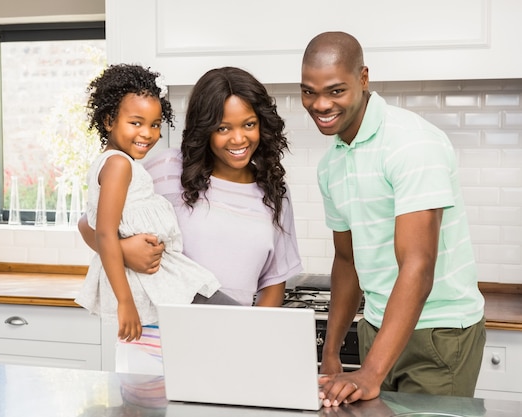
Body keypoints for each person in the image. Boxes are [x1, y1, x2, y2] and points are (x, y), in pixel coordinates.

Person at [300, 31, 486, 407]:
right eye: (309, 91)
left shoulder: (412, 143)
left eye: (336, 91)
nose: (320, 104)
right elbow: (348, 260)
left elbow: (418, 265)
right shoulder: (331, 164)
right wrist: (331, 351)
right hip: (377, 327)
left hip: (440, 333)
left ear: (363, 79)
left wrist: (371, 372)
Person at [78, 66, 302, 308]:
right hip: (160, 331)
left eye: (249, 124)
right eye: (223, 128)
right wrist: (124, 251)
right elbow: (88, 224)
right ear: (205, 128)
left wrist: (247, 338)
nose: (238, 139)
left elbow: (273, 282)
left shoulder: (274, 190)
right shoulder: (167, 168)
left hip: (232, 329)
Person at [74, 64, 221, 374]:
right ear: (109, 120)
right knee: (233, 325)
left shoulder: (116, 162)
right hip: (148, 284)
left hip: (152, 281)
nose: (147, 134)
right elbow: (103, 233)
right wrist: (125, 302)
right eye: (135, 122)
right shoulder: (119, 165)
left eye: (155, 125)